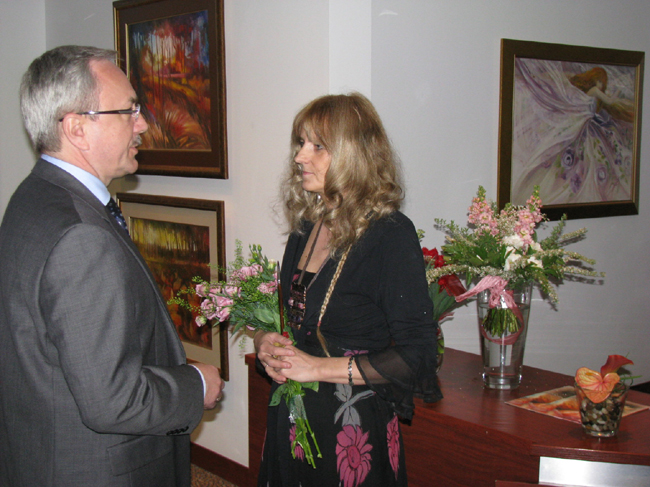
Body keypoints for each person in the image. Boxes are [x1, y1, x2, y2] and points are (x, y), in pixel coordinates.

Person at [0, 45, 225, 487]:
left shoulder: (32, 197)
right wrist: (195, 385)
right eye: (128, 110)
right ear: (77, 128)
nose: (143, 124)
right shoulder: (80, 236)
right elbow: (112, 400)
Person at [254, 93, 442, 486]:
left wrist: (315, 368)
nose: (300, 157)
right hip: (295, 416)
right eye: (301, 143)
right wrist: (266, 342)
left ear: (353, 154)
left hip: (352, 429)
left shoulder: (390, 234)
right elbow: (297, 322)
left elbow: (417, 355)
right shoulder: (308, 226)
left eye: (317, 146)